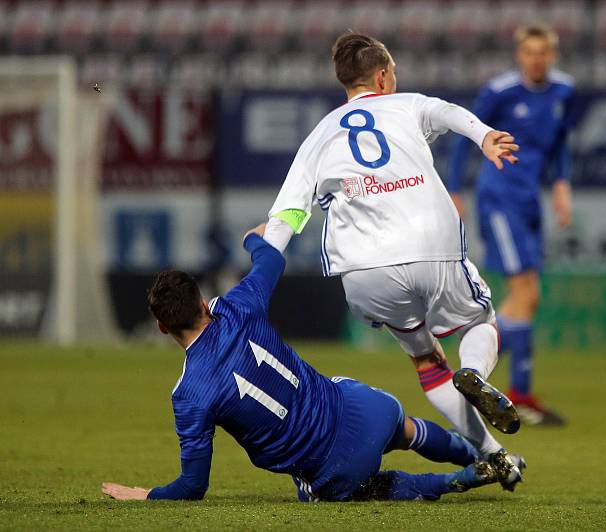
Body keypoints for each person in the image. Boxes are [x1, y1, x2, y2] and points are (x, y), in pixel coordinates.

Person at [264, 32, 526, 489]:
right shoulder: (406, 104)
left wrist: (260, 272)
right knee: (481, 323)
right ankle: (476, 372)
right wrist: (485, 137)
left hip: (365, 272)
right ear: (383, 76)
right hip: (431, 246)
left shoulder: (319, 135)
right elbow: (449, 113)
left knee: (426, 361)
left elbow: (288, 212)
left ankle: (495, 454)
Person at [101, 224, 506, 503]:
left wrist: (146, 494)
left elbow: (193, 485)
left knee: (340, 488)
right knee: (406, 429)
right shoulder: (238, 307)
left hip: (336, 468)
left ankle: (457, 480)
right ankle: (481, 455)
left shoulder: (189, 394)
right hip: (368, 409)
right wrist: (252, 240)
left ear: (160, 327)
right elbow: (273, 261)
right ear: (205, 302)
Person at [446, 25, 575, 426]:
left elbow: (560, 144)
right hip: (499, 197)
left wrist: (561, 184)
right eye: (529, 52)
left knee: (527, 298)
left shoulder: (563, 92)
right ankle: (514, 391)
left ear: (552, 55)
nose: (536, 59)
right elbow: (462, 134)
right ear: (519, 55)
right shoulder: (500, 91)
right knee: (525, 290)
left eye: (543, 52)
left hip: (530, 200)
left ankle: (478, 368)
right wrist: (454, 189)